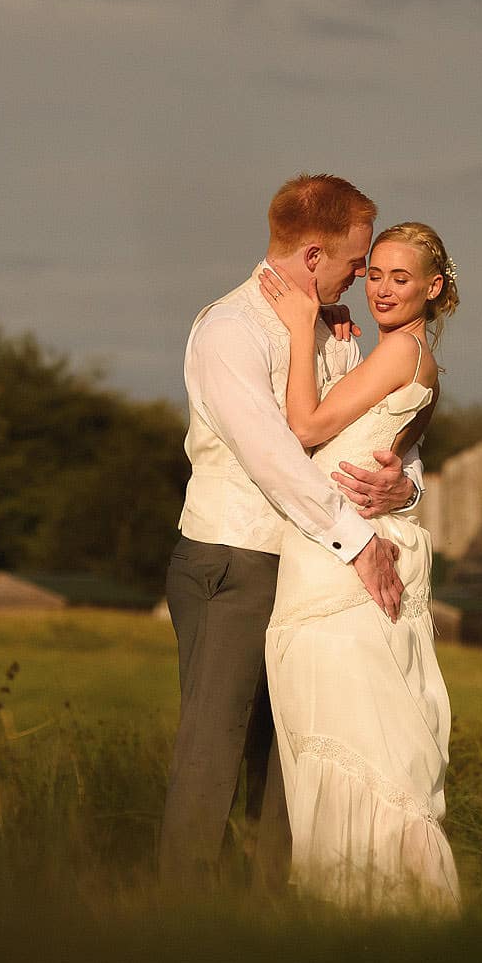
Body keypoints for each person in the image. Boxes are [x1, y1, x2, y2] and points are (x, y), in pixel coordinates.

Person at [159, 175, 423, 886]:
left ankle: (267, 917)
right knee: (214, 749)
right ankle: (178, 925)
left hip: (307, 570)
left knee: (293, 752)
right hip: (233, 561)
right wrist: (362, 544)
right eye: (356, 261)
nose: (363, 276)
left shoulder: (332, 331)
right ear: (313, 256)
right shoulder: (231, 329)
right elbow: (273, 457)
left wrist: (407, 484)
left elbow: (365, 435)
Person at [258, 221, 460, 908]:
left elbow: (307, 430)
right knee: (349, 732)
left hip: (337, 567)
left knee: (352, 736)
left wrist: (297, 327)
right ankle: (366, 905)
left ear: (432, 289)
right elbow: (381, 455)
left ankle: (365, 904)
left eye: (400, 278)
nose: (380, 288)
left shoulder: (401, 354)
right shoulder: (410, 359)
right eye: (374, 273)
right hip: (342, 550)